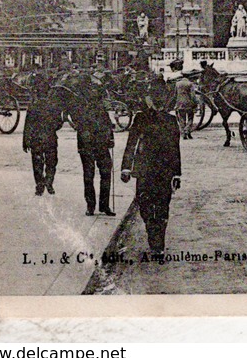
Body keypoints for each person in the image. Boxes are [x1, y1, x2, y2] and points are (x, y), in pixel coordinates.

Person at [121, 76, 182, 256]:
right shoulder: (141, 119)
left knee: (162, 206)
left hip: (164, 171)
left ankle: (158, 246)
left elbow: (175, 148)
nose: (157, 101)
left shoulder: (171, 120)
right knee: (145, 204)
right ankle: (151, 231)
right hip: (144, 170)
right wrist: (126, 167)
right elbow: (131, 143)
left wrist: (177, 174)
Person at [73, 74, 116, 216]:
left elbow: (107, 124)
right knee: (99, 175)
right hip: (93, 146)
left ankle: (95, 206)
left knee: (92, 175)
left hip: (94, 146)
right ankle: (98, 206)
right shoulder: (81, 109)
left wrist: (110, 138)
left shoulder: (89, 109)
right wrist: (110, 139)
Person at [22, 73, 62, 195]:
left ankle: (39, 186)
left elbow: (27, 125)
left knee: (37, 163)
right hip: (50, 138)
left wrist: (25, 141)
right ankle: (49, 182)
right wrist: (52, 128)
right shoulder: (53, 106)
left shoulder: (33, 106)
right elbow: (59, 123)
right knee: (51, 162)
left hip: (36, 139)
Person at [174, 70, 197, 139]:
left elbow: (175, 94)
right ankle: (187, 131)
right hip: (188, 103)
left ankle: (183, 133)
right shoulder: (190, 84)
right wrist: (195, 103)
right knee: (190, 118)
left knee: (182, 119)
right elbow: (193, 95)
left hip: (180, 103)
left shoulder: (177, 84)